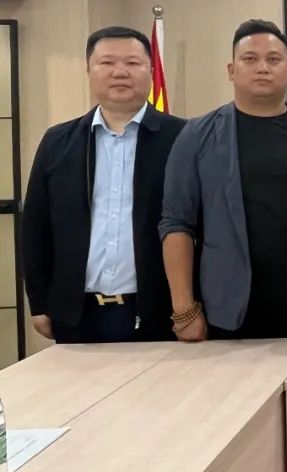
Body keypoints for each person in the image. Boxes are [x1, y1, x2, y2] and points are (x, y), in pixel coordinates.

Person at [159, 20, 287, 341]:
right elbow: (176, 223)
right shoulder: (197, 134)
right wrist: (184, 309)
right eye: (249, 59)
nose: (262, 68)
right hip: (228, 309)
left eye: (273, 59)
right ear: (231, 70)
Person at [22, 26, 186, 343]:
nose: (120, 72)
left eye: (132, 63)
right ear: (89, 71)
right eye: (107, 63)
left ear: (151, 71)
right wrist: (38, 302)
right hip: (76, 313)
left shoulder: (183, 138)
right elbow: (35, 226)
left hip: (158, 311)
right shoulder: (58, 141)